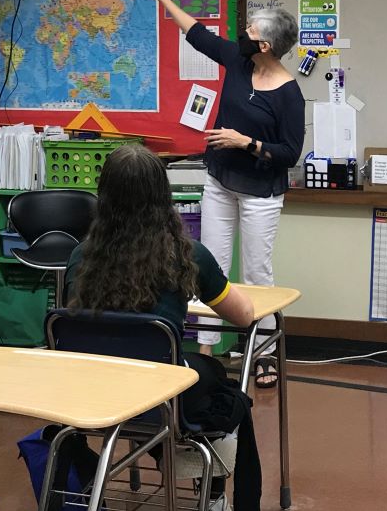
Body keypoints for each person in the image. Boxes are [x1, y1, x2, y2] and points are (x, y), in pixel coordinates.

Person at [134, 0, 305, 388]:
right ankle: (208, 349)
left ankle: (262, 352)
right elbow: (198, 34)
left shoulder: (288, 93)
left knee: (258, 273)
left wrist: (245, 142)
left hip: (261, 193)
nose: (242, 32)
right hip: (220, 182)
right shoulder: (238, 60)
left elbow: (290, 153)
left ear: (265, 44)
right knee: (207, 263)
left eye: (250, 29)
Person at [66, 143, 259, 511]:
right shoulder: (185, 253)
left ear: (103, 195)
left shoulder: (81, 255)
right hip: (160, 396)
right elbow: (244, 316)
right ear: (162, 195)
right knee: (223, 388)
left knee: (185, 367)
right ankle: (216, 495)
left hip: (92, 393)